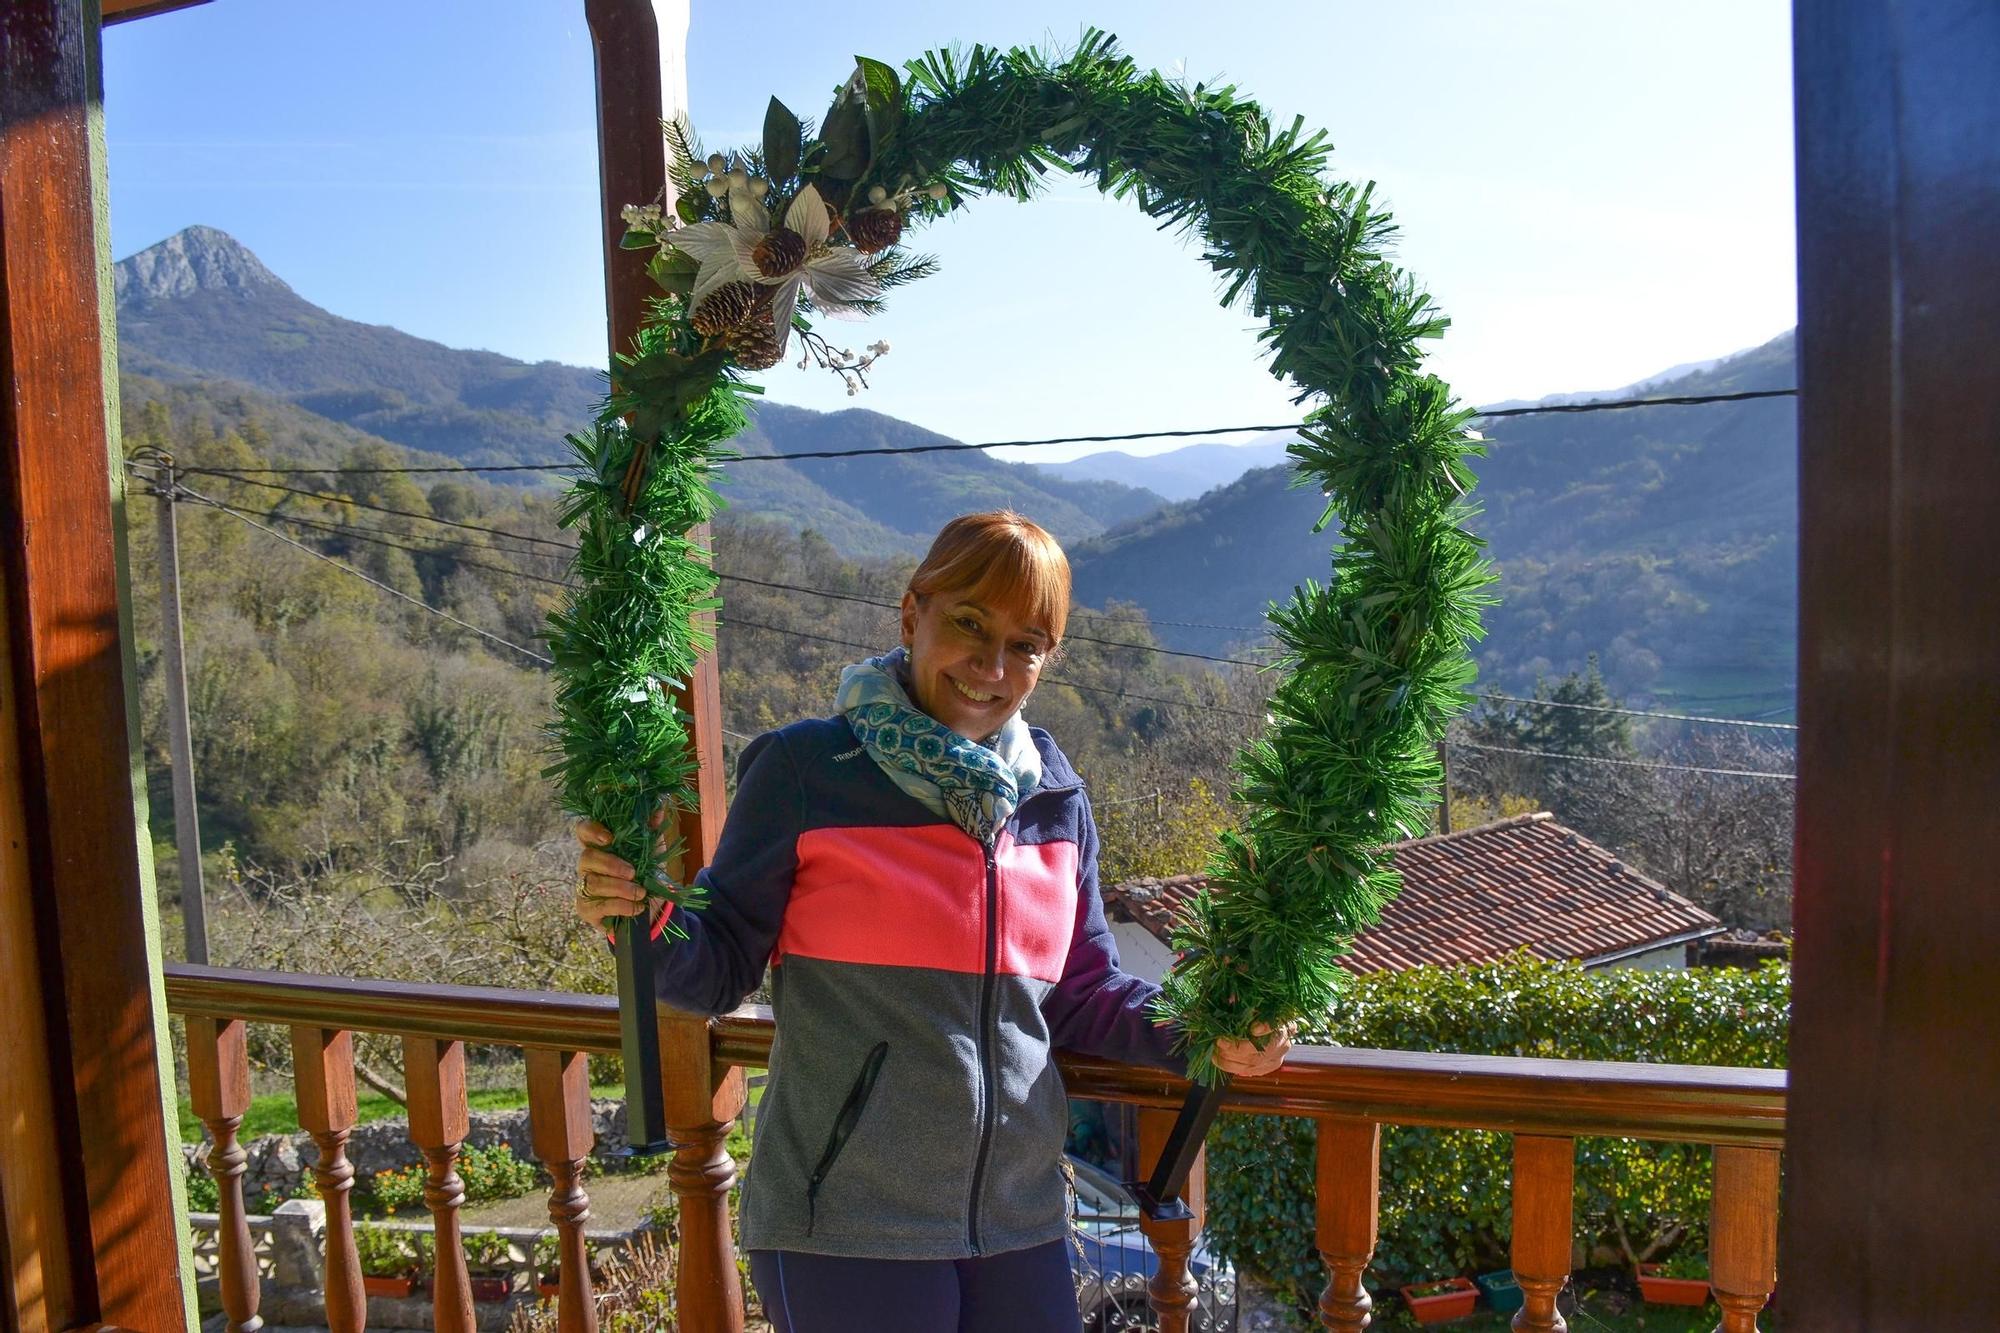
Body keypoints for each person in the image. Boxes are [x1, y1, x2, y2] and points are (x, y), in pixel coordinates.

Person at [575, 511, 1291, 1333]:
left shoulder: (1055, 797)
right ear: (912, 612)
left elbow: (1083, 992)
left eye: (1025, 643)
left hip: (1018, 1222)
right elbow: (721, 960)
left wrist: (1209, 1030)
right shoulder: (808, 771)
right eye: (968, 623)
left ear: (1047, 659)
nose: (991, 665)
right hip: (845, 1222)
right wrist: (640, 918)